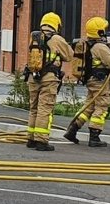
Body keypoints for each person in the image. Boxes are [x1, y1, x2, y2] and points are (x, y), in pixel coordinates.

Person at [64, 17, 110, 147]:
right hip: (100, 82)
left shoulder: (90, 44)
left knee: (89, 107)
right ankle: (94, 137)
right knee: (101, 107)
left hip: (92, 81)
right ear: (100, 32)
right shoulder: (100, 47)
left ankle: (72, 130)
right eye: (104, 29)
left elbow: (101, 59)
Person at [24, 12, 72, 151]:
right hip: (49, 79)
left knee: (34, 109)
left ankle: (31, 139)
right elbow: (69, 56)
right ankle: (41, 141)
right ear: (56, 25)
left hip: (33, 77)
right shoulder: (57, 39)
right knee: (44, 109)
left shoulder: (34, 36)